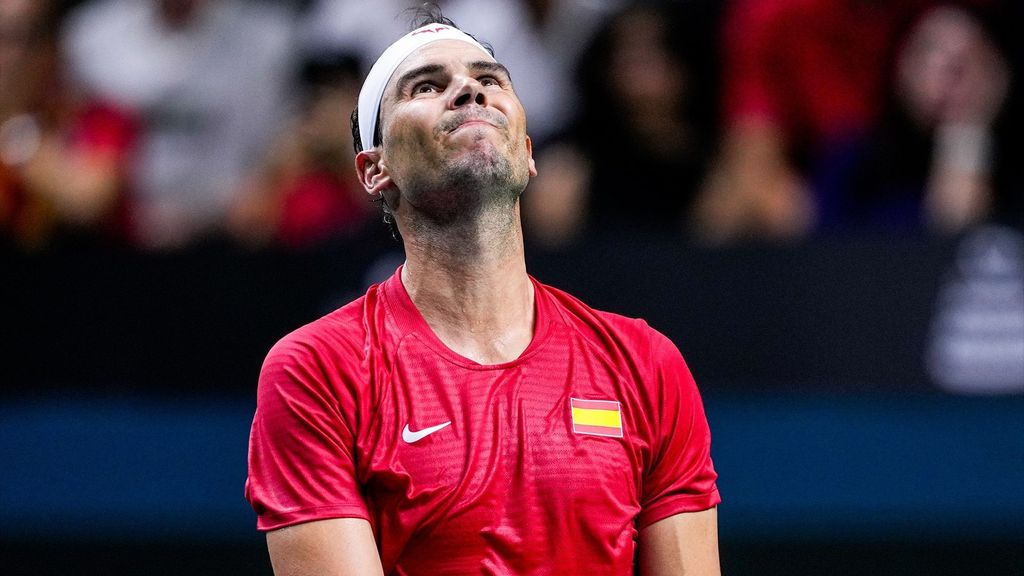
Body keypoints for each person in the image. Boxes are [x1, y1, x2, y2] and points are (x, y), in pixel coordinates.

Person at [245, 7, 721, 575]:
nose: (469, 90)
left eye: (489, 79)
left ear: (527, 149)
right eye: (426, 86)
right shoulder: (317, 370)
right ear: (375, 170)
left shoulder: (646, 365)